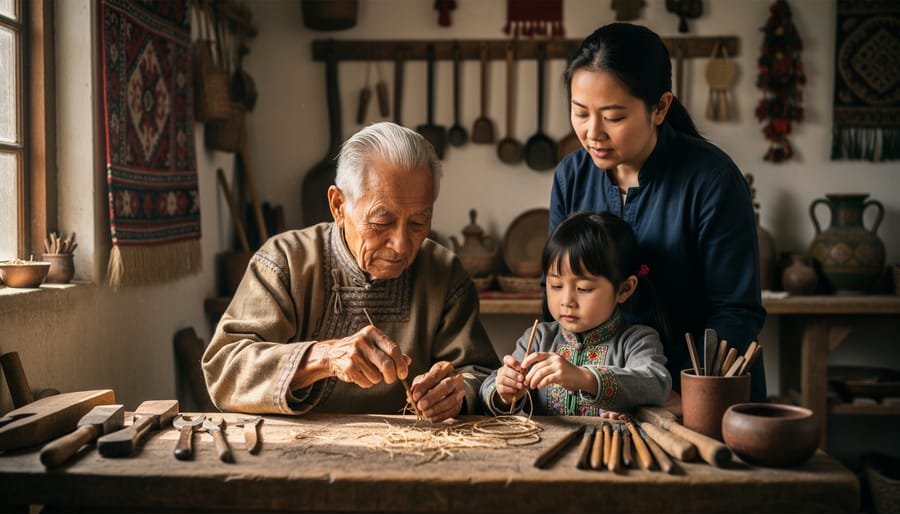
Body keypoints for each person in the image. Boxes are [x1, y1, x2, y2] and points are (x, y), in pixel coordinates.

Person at [202, 122, 500, 422]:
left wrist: (458, 395)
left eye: (418, 223)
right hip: (295, 453)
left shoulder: (444, 272)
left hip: (411, 453)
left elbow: (481, 375)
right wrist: (324, 358)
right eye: (382, 222)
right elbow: (225, 370)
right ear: (338, 206)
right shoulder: (285, 262)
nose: (400, 245)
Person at [551, 23, 767, 402]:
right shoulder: (572, 176)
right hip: (600, 397)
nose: (592, 133)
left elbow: (735, 312)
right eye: (580, 112)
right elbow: (557, 283)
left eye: (613, 117)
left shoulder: (712, 180)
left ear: (660, 107)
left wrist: (682, 392)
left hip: (700, 394)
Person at [481, 211, 671, 417]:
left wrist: (586, 378)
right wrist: (503, 391)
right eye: (556, 285)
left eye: (583, 289)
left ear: (624, 289)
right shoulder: (538, 338)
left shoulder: (637, 341)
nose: (566, 301)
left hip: (609, 447)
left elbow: (656, 383)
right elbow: (488, 386)